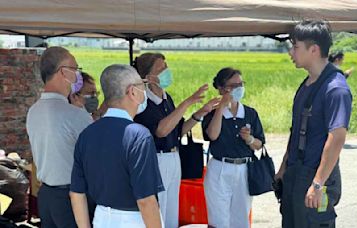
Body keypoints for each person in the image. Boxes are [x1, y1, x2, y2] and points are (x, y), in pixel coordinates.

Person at [275, 20, 352, 228]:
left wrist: (318, 184)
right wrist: (284, 167)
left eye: (296, 47)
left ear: (314, 50)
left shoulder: (336, 89)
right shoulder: (307, 84)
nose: (291, 53)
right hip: (295, 173)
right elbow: (298, 129)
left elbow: (336, 138)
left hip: (315, 177)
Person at [70, 64, 164, 228]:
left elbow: (76, 193)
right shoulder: (138, 135)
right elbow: (146, 200)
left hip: (101, 218)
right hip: (134, 220)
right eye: (143, 86)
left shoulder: (87, 134)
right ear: (132, 92)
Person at [133, 53, 219, 228]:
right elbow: (162, 130)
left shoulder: (167, 98)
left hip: (173, 157)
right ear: (149, 77)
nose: (167, 71)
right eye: (161, 69)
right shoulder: (143, 103)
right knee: (159, 208)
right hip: (156, 159)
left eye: (166, 66)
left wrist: (200, 113)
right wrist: (187, 102)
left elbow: (178, 130)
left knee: (172, 208)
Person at [26, 46, 93, 228]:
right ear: (63, 72)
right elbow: (97, 151)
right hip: (72, 197)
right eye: (75, 69)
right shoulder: (74, 114)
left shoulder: (33, 110)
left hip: (46, 195)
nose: (78, 75)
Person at [201, 67, 265, 228]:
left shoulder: (250, 113)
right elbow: (212, 135)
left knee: (241, 219)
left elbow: (260, 144)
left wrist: (249, 139)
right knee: (218, 220)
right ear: (222, 88)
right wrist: (221, 108)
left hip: (244, 169)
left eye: (241, 84)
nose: (239, 88)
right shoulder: (212, 113)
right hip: (219, 168)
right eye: (233, 85)